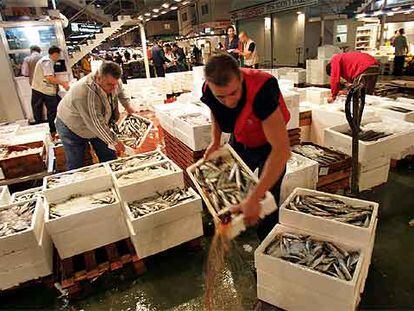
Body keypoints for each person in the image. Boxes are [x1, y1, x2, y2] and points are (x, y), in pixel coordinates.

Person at [201, 54, 291, 240]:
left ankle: (267, 240)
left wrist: (255, 197)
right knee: (231, 184)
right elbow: (216, 112)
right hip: (242, 138)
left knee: (268, 196)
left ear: (241, 77)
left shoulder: (263, 88)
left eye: (234, 93)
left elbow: (282, 151)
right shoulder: (210, 91)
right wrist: (215, 141)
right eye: (221, 96)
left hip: (269, 144)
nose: (229, 102)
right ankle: (238, 222)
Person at [55, 61, 137, 170]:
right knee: (77, 163)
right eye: (110, 85)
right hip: (71, 126)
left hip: (96, 124)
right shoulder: (85, 93)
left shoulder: (113, 80)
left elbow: (120, 92)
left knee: (109, 157)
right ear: (98, 78)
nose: (113, 87)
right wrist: (114, 141)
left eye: (115, 84)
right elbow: (96, 123)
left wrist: (128, 107)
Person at [31, 46, 69, 135]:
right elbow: (49, 78)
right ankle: (53, 131)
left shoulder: (47, 60)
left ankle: (54, 129)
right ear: (55, 54)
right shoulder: (47, 61)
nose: (58, 58)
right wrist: (64, 83)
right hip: (43, 90)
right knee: (53, 111)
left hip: (40, 89)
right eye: (58, 55)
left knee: (59, 105)